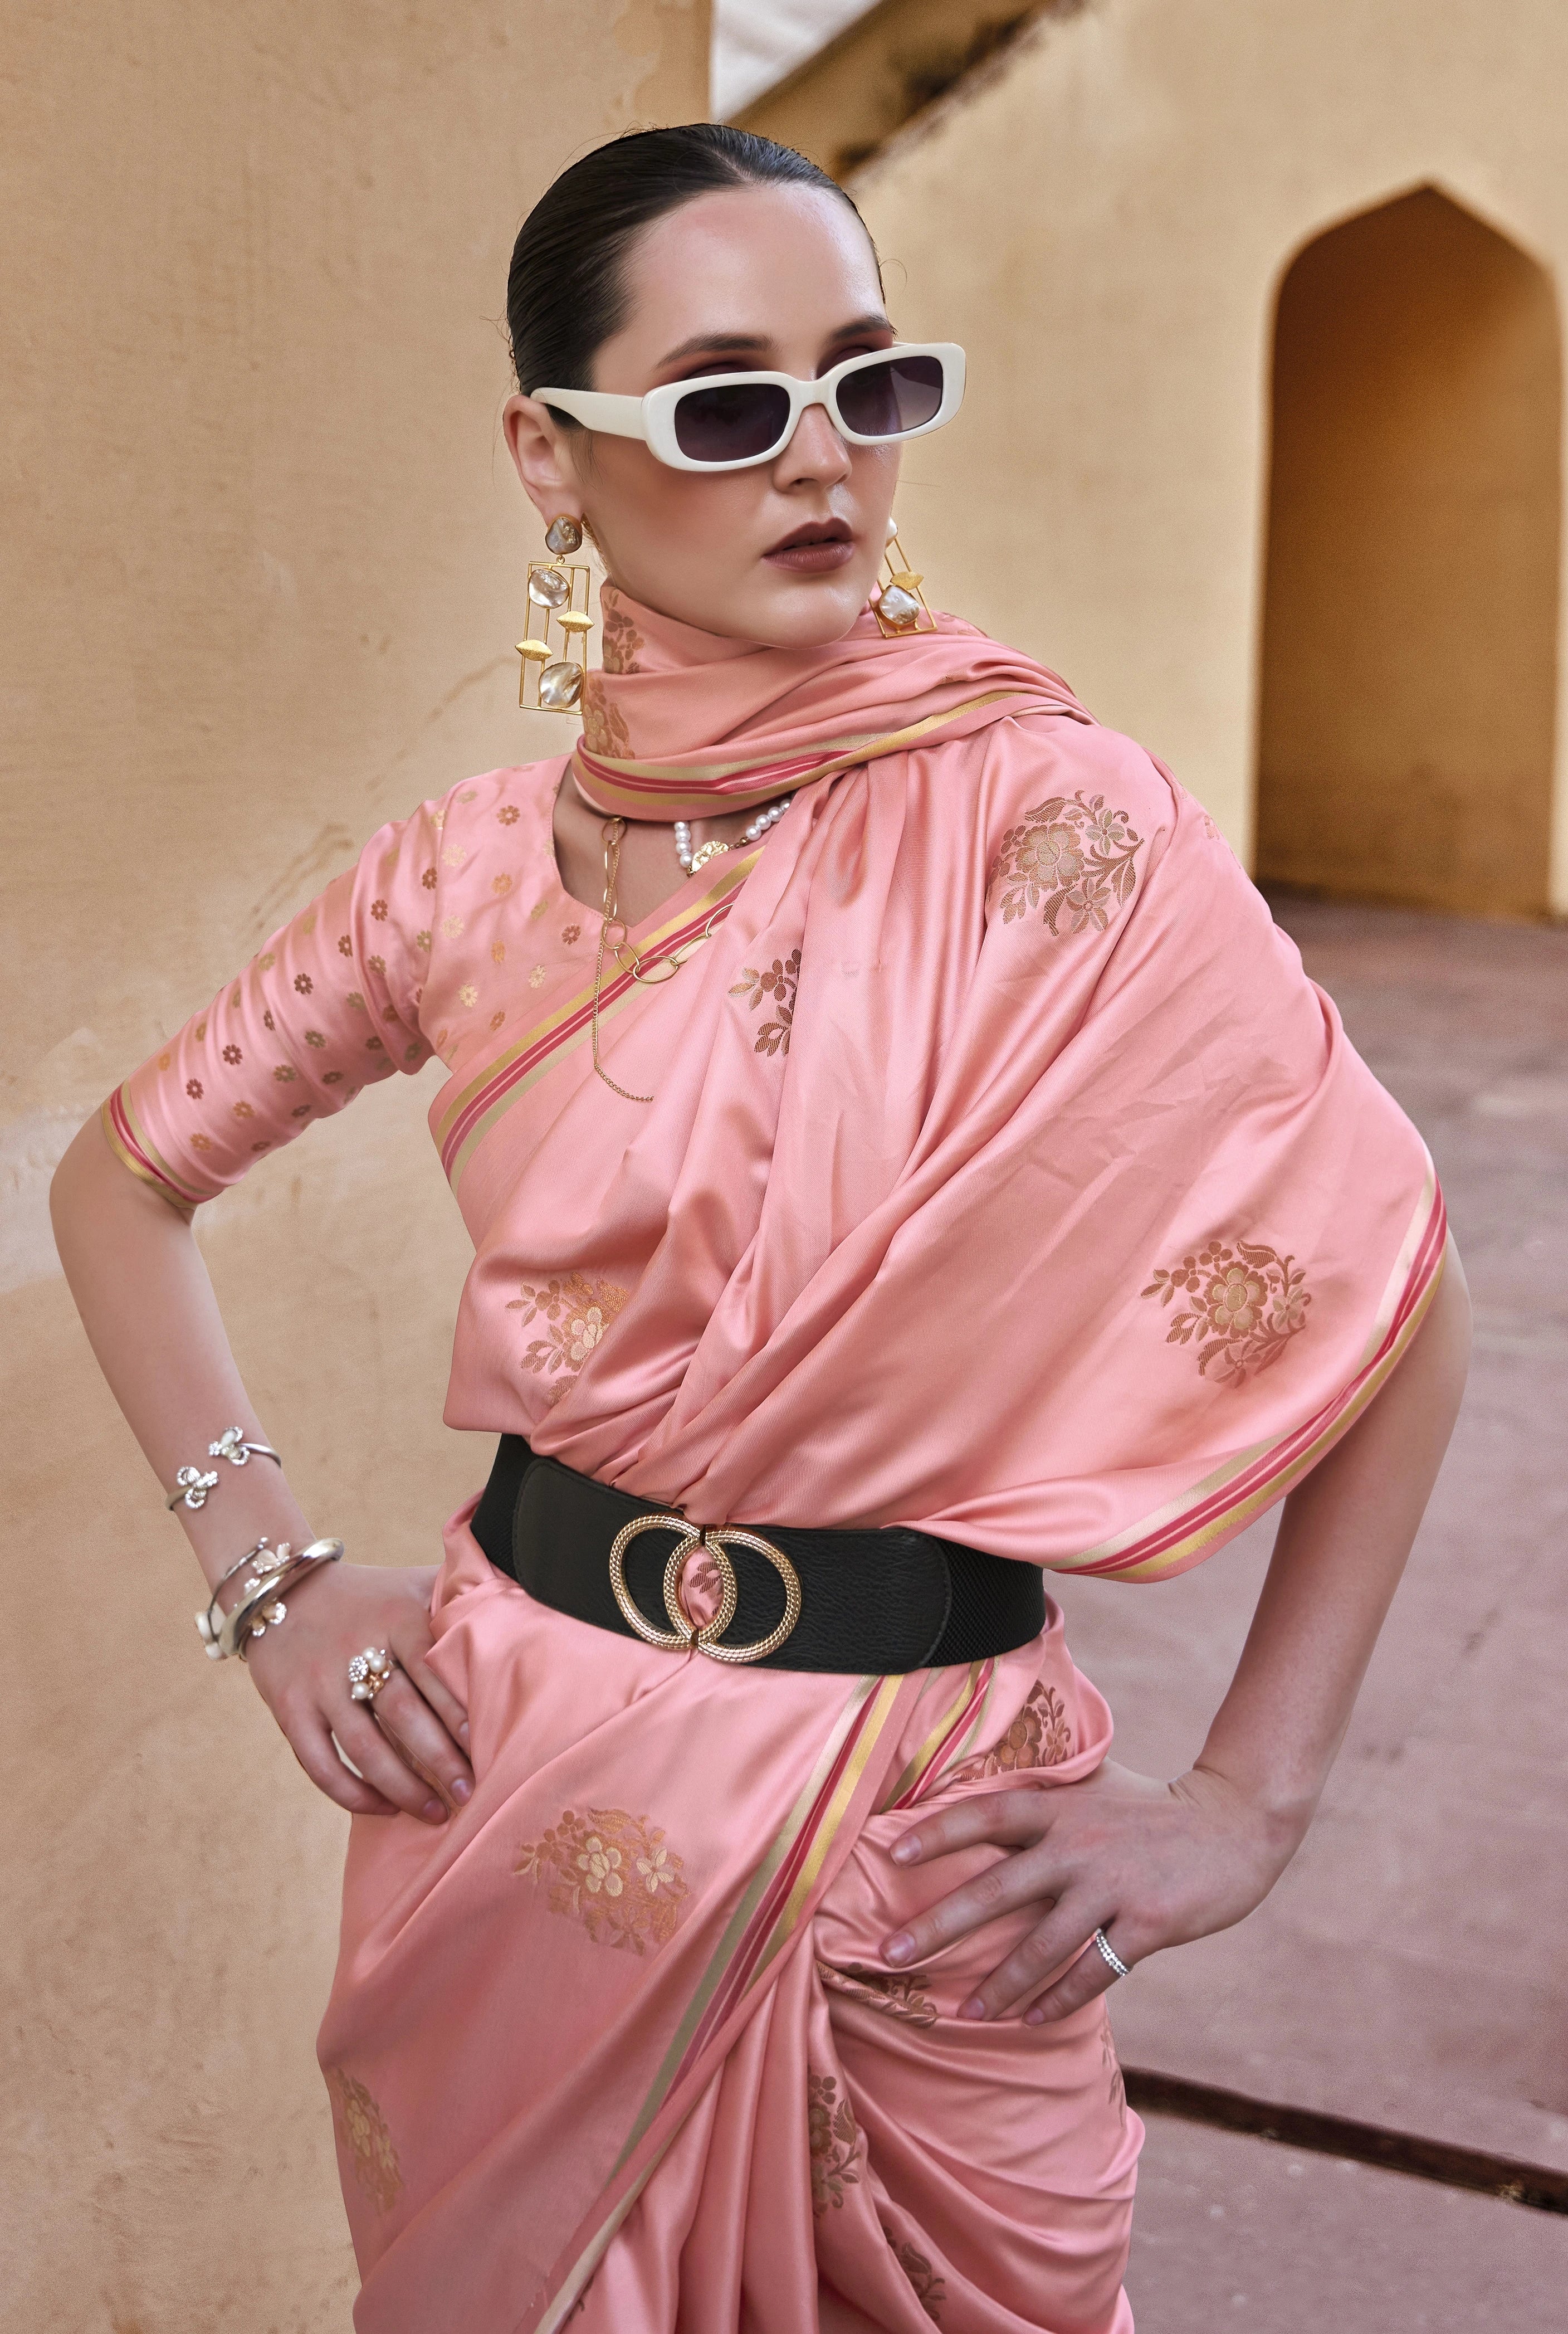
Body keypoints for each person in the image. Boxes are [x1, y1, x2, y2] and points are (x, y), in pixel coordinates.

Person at [51, 124, 1470, 2334]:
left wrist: (1247, 1801)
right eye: (724, 405)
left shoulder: (1052, 825)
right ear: (548, 453)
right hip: (521, 1798)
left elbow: (1396, 1291)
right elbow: (123, 1179)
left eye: (868, 383)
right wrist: (275, 1583)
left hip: (925, 1855)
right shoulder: (458, 880)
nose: (821, 459)